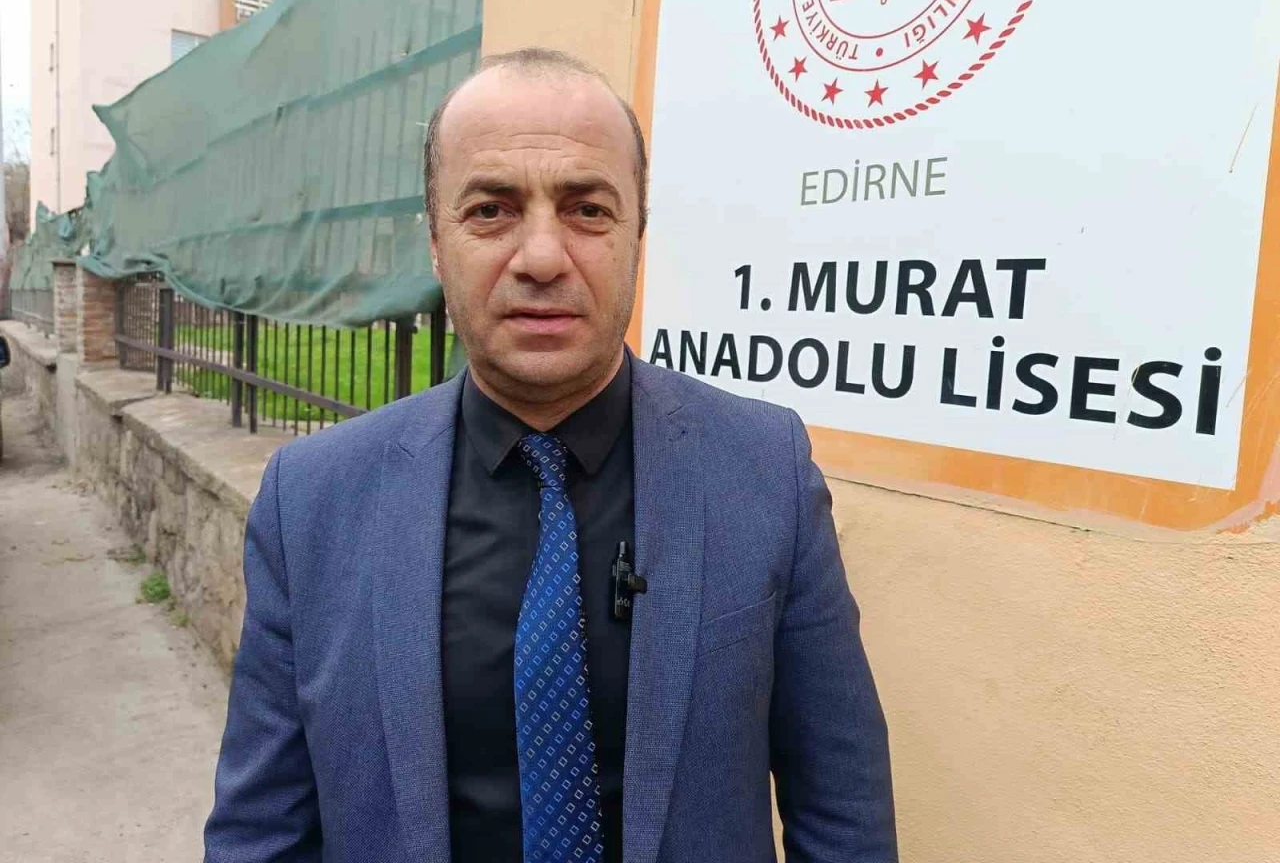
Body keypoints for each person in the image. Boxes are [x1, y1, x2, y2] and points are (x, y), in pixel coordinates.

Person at [204, 48, 897, 863]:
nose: (541, 257)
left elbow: (843, 814)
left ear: (637, 236)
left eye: (587, 210)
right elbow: (261, 832)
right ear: (436, 244)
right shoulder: (311, 500)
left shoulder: (765, 471)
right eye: (491, 210)